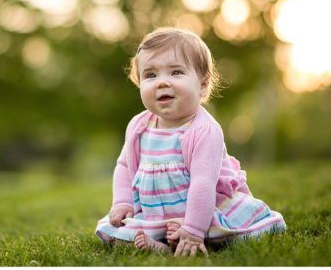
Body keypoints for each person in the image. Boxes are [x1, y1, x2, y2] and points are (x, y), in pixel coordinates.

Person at [94, 27, 286, 256]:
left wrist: (194, 230)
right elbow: (124, 166)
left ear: (202, 85)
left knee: (219, 236)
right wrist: (123, 202)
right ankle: (160, 244)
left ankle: (183, 238)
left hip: (203, 211)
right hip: (156, 213)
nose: (162, 82)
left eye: (175, 72)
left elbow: (202, 183)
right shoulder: (138, 126)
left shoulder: (203, 130)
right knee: (116, 234)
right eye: (150, 75)